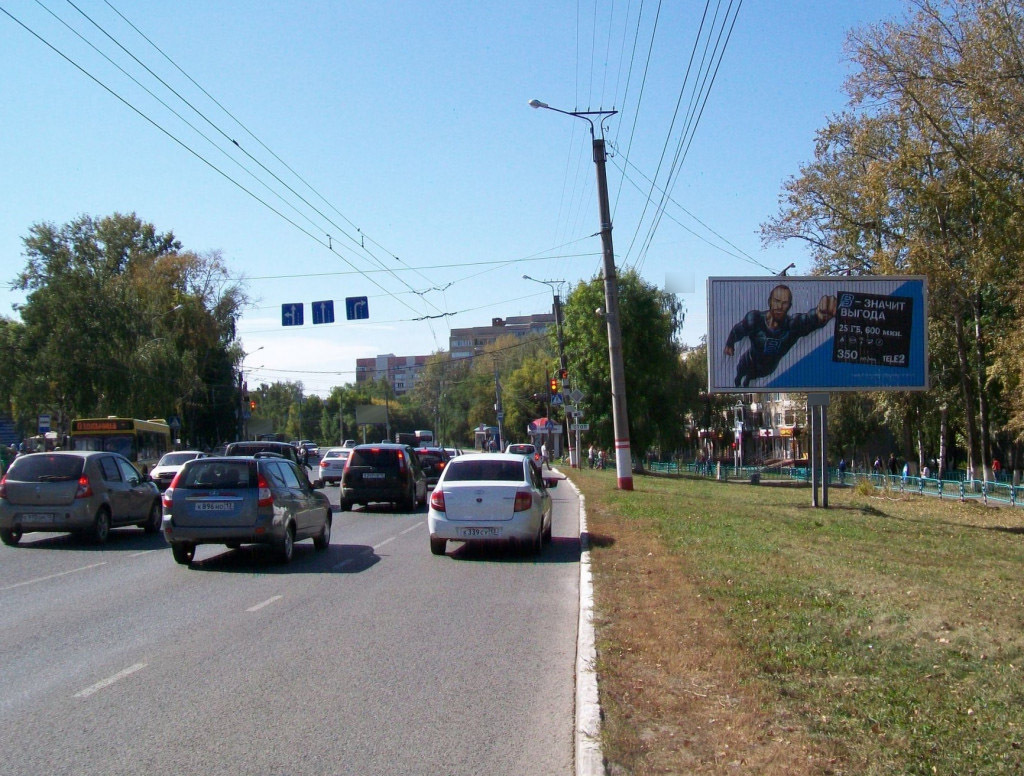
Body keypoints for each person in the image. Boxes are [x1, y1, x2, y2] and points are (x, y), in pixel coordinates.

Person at [723, 284, 838, 388]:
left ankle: (747, 380)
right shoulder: (755, 319)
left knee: (750, 378)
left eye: (784, 303)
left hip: (767, 369)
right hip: (749, 359)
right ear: (770, 301)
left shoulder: (793, 326)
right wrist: (730, 344)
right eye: (777, 301)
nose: (779, 306)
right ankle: (739, 381)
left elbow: (808, 320)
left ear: (789, 306)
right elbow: (738, 330)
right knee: (739, 374)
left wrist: (819, 315)